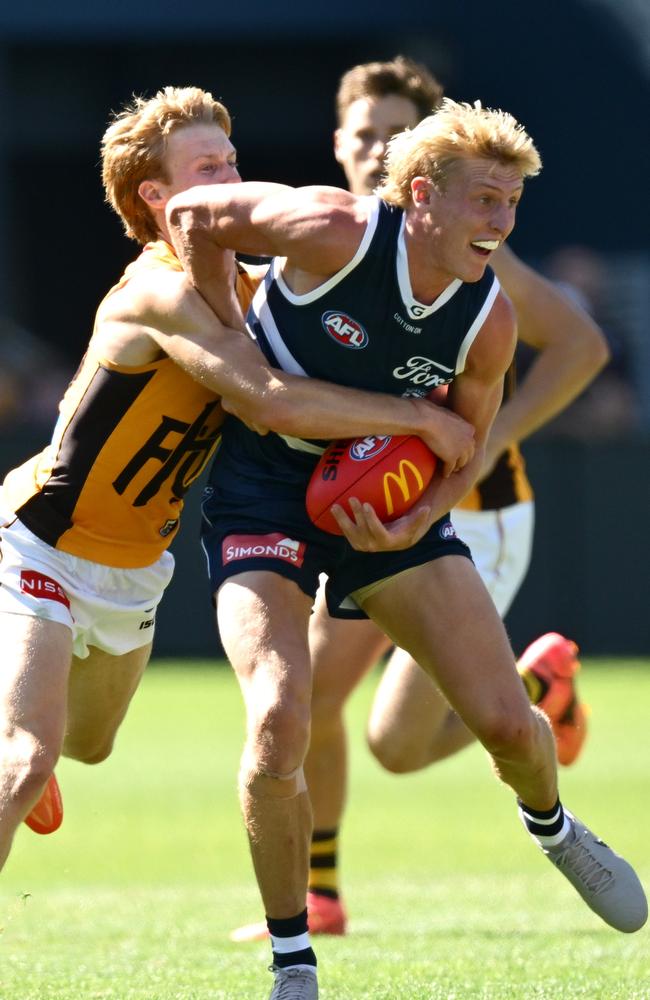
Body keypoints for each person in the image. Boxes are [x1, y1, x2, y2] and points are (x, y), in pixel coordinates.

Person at [167, 99, 646, 999]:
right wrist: (223, 323)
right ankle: (293, 960)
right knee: (280, 720)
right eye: (486, 202)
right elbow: (193, 215)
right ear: (421, 195)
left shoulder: (490, 319)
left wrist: (416, 522)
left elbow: (463, 448)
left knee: (505, 724)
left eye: (512, 205)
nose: (502, 223)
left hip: (389, 515)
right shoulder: (331, 229)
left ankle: (554, 828)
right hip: (262, 492)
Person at [0, 85, 475, 869]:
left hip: (136, 568)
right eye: (206, 165)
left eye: (231, 158)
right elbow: (268, 400)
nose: (231, 175)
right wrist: (418, 419)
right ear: (158, 196)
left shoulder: (256, 287)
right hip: (42, 543)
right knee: (24, 762)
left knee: (88, 747)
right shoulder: (159, 291)